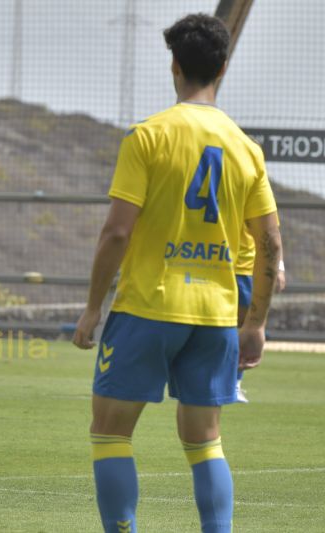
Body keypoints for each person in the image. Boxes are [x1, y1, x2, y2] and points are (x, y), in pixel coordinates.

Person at [72, 14, 282, 533]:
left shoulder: (149, 136)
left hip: (148, 305)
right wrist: (254, 322)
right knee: (204, 440)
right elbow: (271, 242)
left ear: (174, 65)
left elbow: (117, 233)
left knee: (111, 432)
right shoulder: (245, 148)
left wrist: (93, 307)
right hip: (214, 315)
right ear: (223, 68)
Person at [234, 228, 286, 403]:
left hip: (247, 270)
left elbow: (271, 231)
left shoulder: (257, 199)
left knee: (243, 326)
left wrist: (279, 267)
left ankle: (234, 384)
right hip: (213, 267)